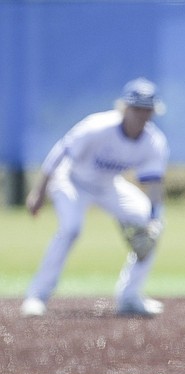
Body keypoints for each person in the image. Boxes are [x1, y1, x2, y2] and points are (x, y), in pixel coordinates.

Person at [20, 77, 169, 317]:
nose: (142, 115)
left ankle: (129, 297)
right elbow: (59, 153)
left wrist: (152, 219)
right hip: (71, 180)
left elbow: (154, 185)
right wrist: (39, 192)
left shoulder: (154, 142)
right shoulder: (98, 127)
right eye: (137, 109)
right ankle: (37, 295)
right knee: (71, 228)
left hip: (108, 185)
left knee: (151, 224)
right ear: (125, 108)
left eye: (147, 110)